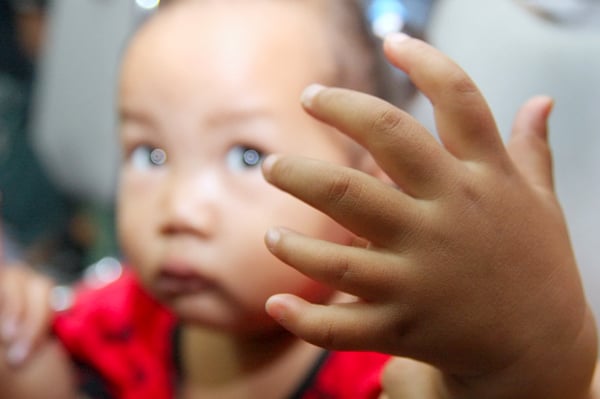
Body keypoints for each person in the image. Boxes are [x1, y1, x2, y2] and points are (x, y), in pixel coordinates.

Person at [0, 0, 597, 398]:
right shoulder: (128, 315)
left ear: (372, 183)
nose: (180, 211)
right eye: (149, 155)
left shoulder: (395, 364)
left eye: (246, 157)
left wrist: (531, 346)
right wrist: (19, 332)